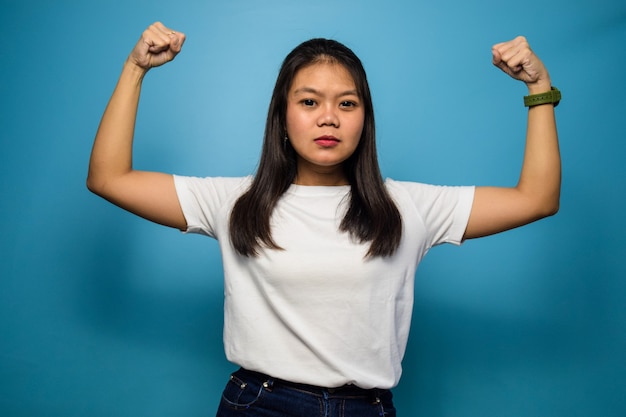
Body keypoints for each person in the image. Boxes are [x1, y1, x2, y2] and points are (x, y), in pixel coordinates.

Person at [87, 21, 560, 417]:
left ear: (364, 118)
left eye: (346, 103)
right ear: (283, 115)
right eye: (309, 101)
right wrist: (135, 70)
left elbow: (537, 198)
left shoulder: (408, 207)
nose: (328, 118)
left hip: (367, 407)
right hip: (259, 404)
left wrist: (539, 89)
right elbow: (109, 177)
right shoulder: (234, 201)